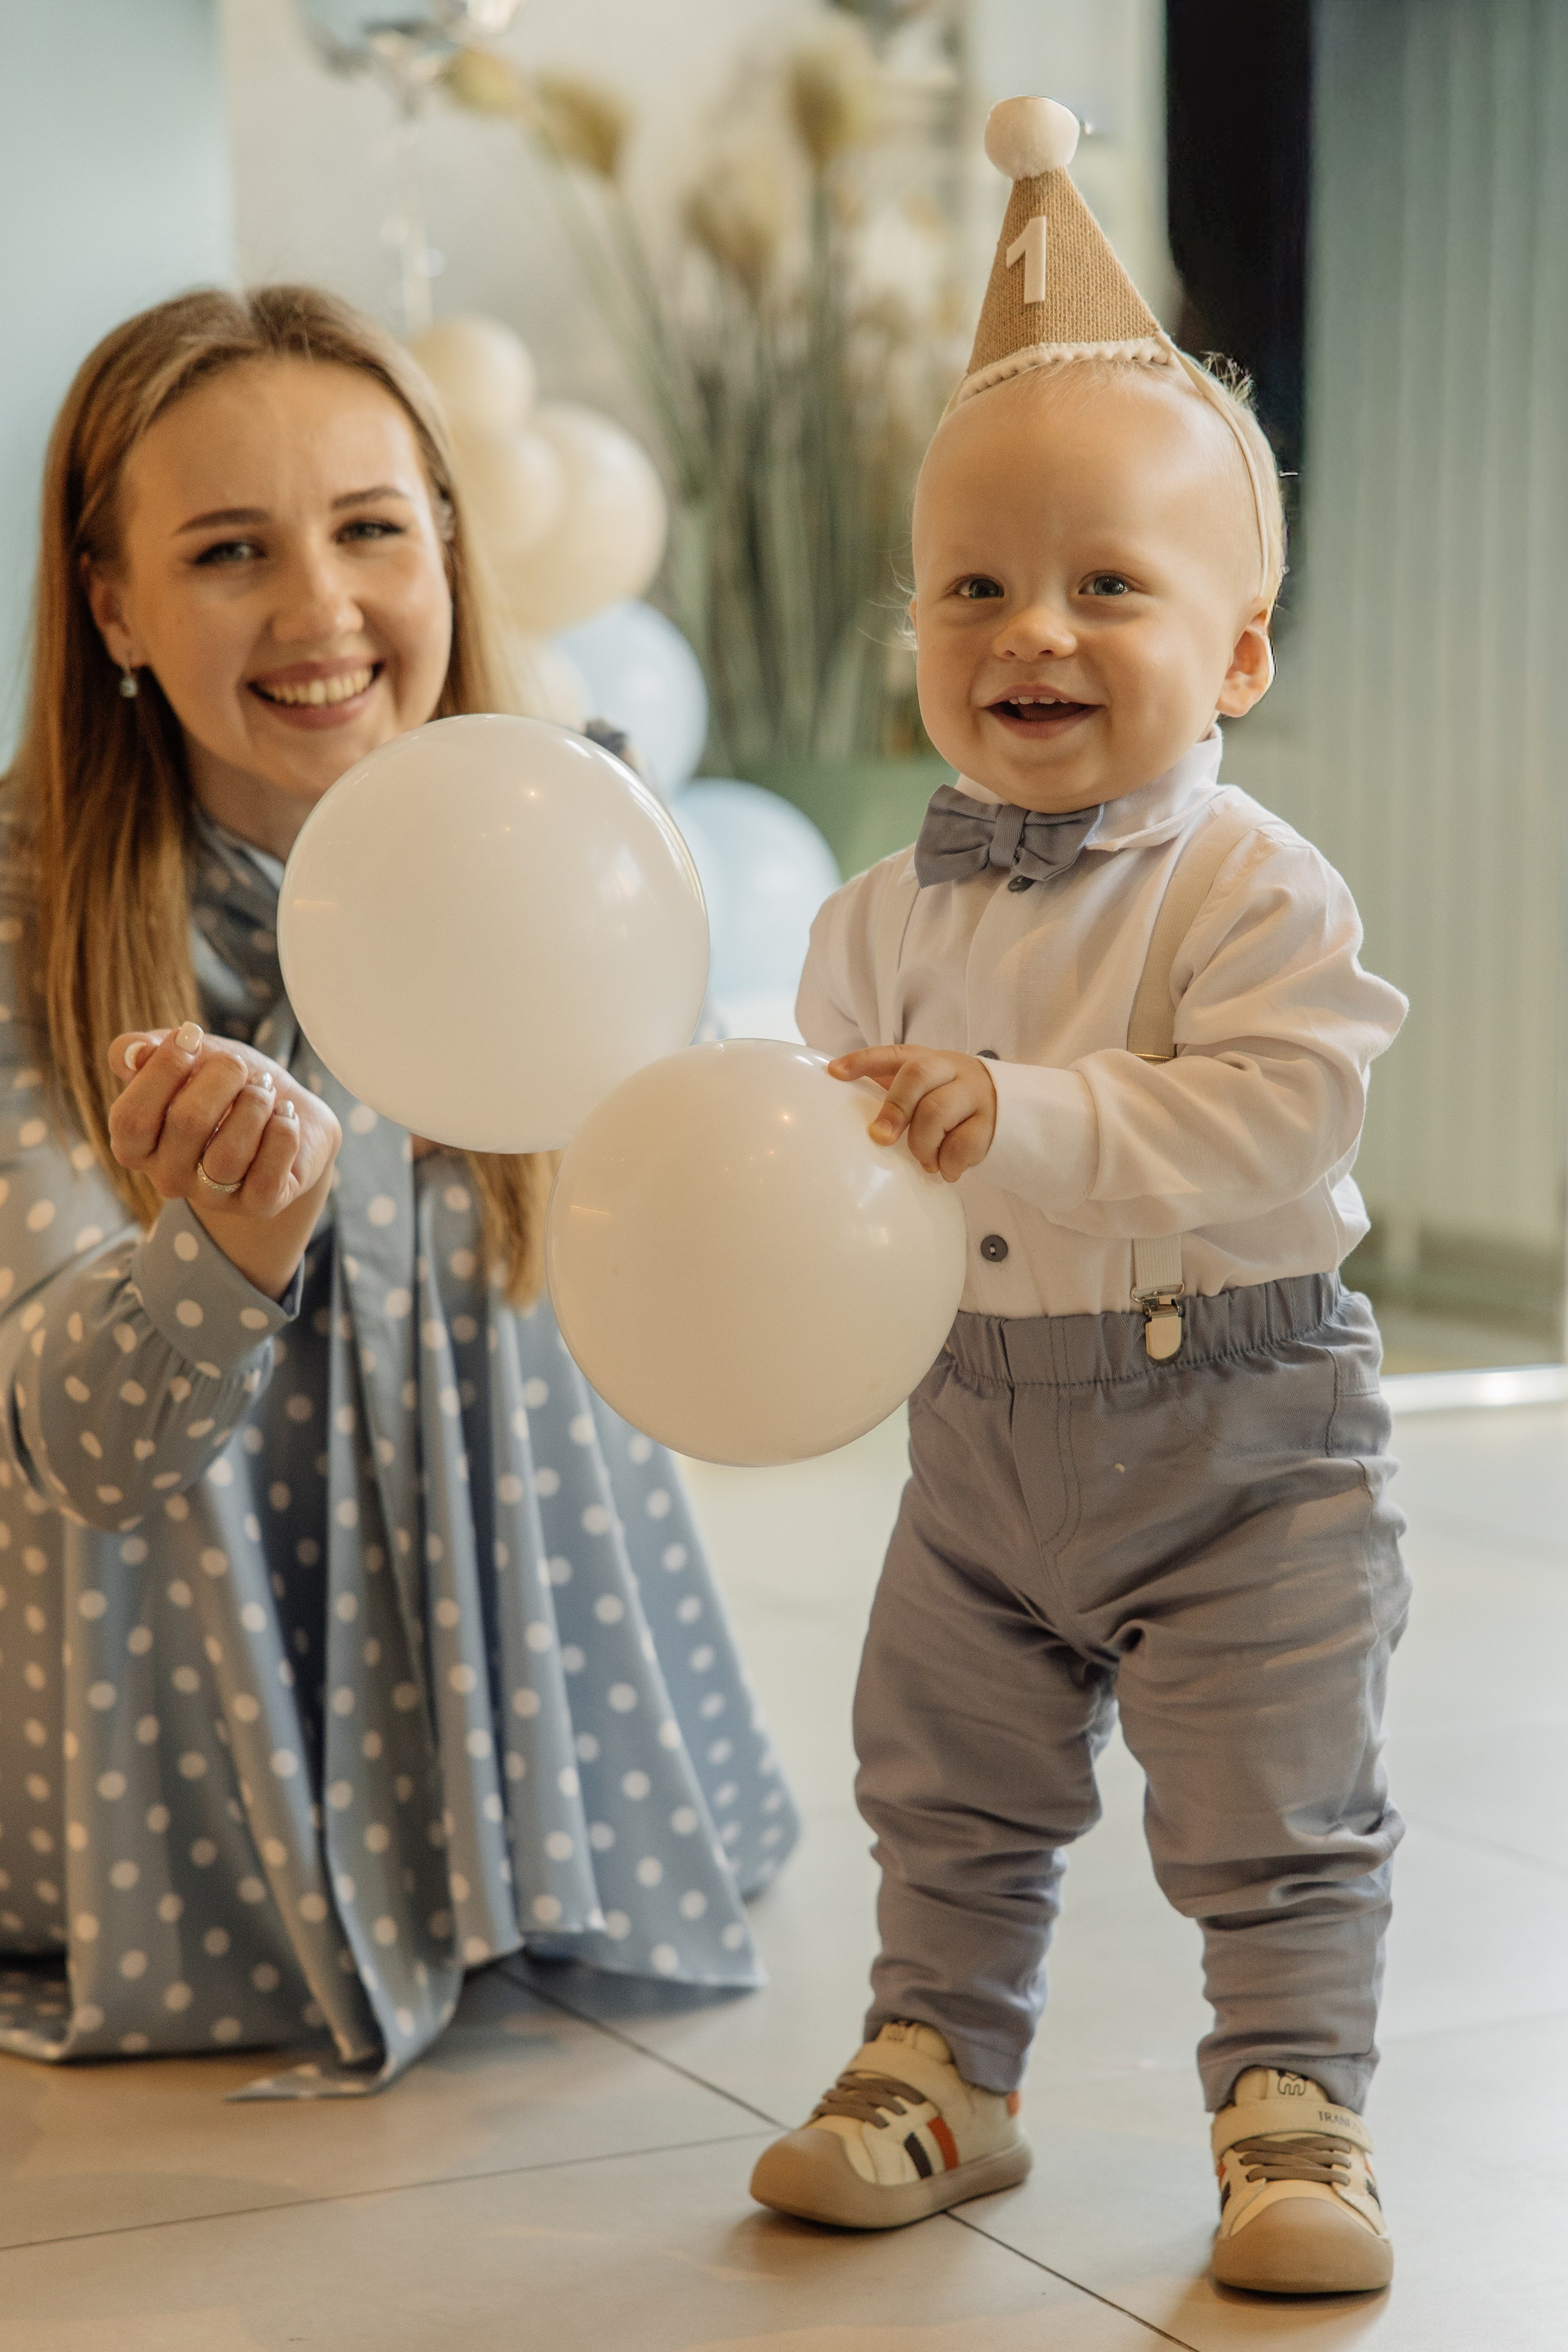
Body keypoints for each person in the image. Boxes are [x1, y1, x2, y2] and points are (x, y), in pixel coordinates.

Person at [0, 284, 797, 2098]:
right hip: (163, 1763)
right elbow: (76, 1446)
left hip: (557, 1739)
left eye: (373, 528)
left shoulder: (571, 853)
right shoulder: (29, 916)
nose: (322, 610)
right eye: (226, 551)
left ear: (448, 546)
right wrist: (218, 1254)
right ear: (112, 604)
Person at [751, 99, 1407, 2296]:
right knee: (946, 1767)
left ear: (1235, 655)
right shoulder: (869, 924)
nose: (1031, 629)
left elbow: (1279, 1118)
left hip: (1241, 1430)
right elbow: (818, 1160)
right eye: (973, 585)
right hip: (982, 1429)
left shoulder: (1253, 885)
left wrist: (1012, 1117)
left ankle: (1295, 2108)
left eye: (1107, 584)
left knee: (1268, 1796)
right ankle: (944, 2065)